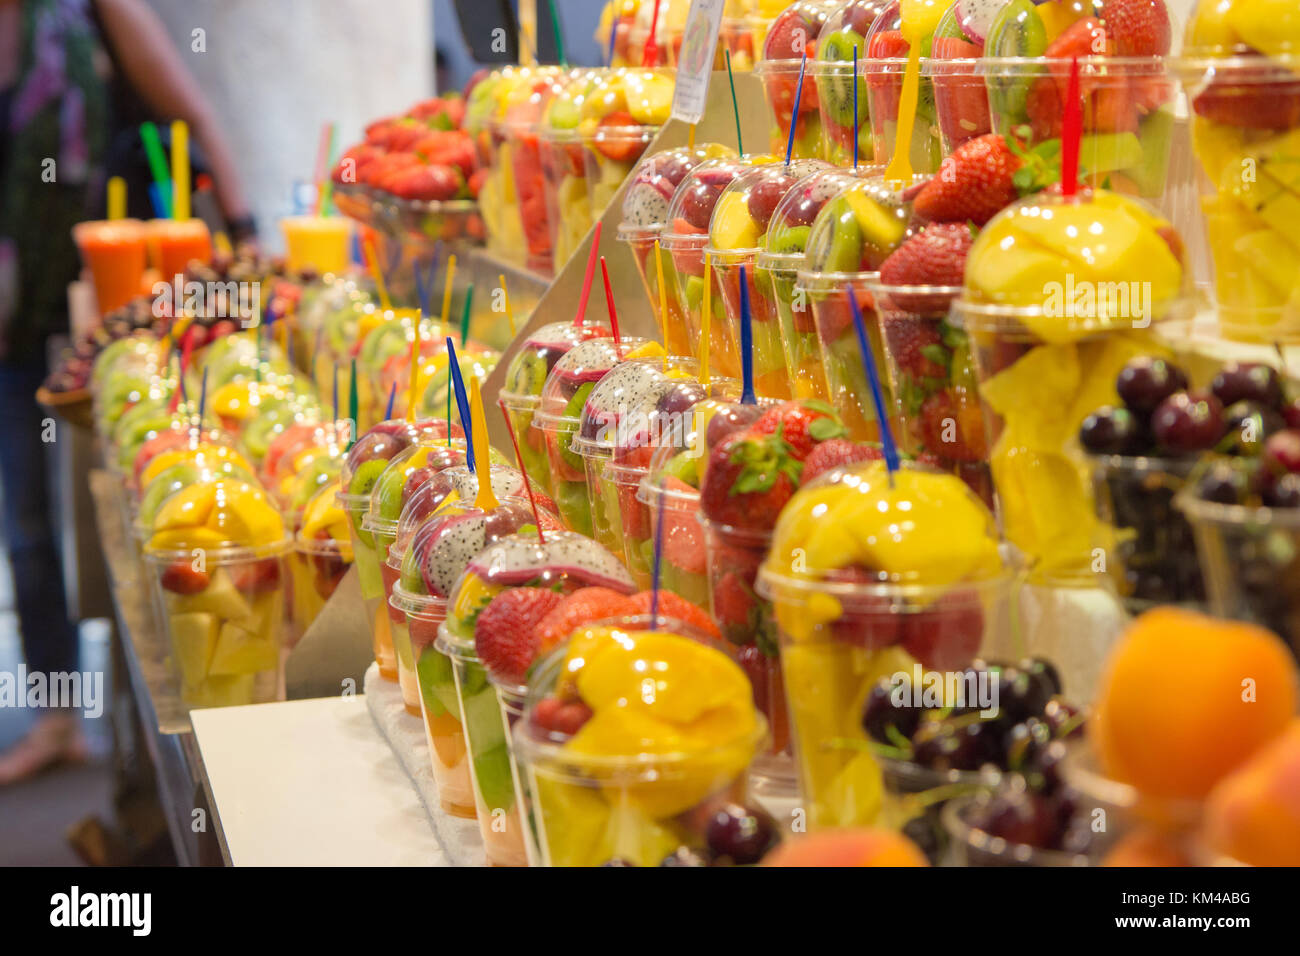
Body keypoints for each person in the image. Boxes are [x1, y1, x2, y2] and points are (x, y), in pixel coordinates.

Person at [0, 0, 253, 784]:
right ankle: (57, 718)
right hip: (10, 323)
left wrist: (241, 230)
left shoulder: (87, 10)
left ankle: (158, 746)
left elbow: (190, 111)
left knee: (112, 517)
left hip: (99, 313)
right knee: (27, 528)